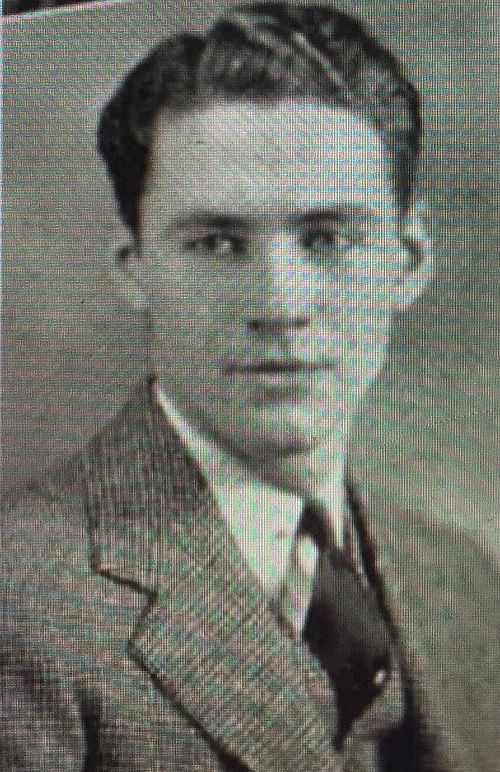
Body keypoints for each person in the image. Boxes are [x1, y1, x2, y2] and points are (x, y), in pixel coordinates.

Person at [1, 3, 498, 770]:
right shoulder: (23, 600)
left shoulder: (464, 579)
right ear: (135, 269)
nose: (279, 304)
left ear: (408, 261)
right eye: (216, 243)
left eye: (329, 238)